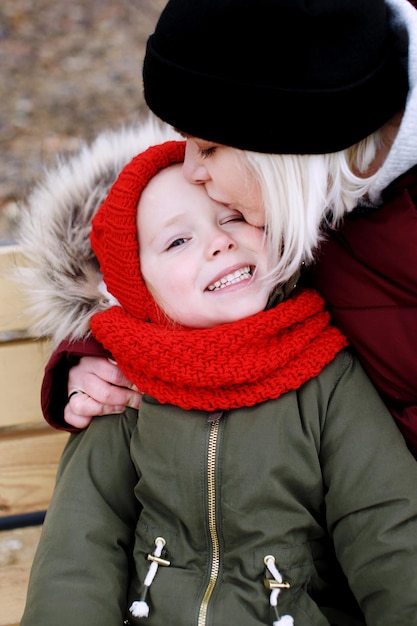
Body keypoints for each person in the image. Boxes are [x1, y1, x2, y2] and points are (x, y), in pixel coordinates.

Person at [19, 140, 417, 626]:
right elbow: (79, 547)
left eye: (231, 218)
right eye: (177, 241)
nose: (220, 241)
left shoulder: (327, 375)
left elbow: (386, 532)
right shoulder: (125, 384)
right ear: (136, 285)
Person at [33, 0, 417, 458]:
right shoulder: (278, 207)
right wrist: (95, 362)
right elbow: (153, 276)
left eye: (209, 147)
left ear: (287, 149)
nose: (190, 169)